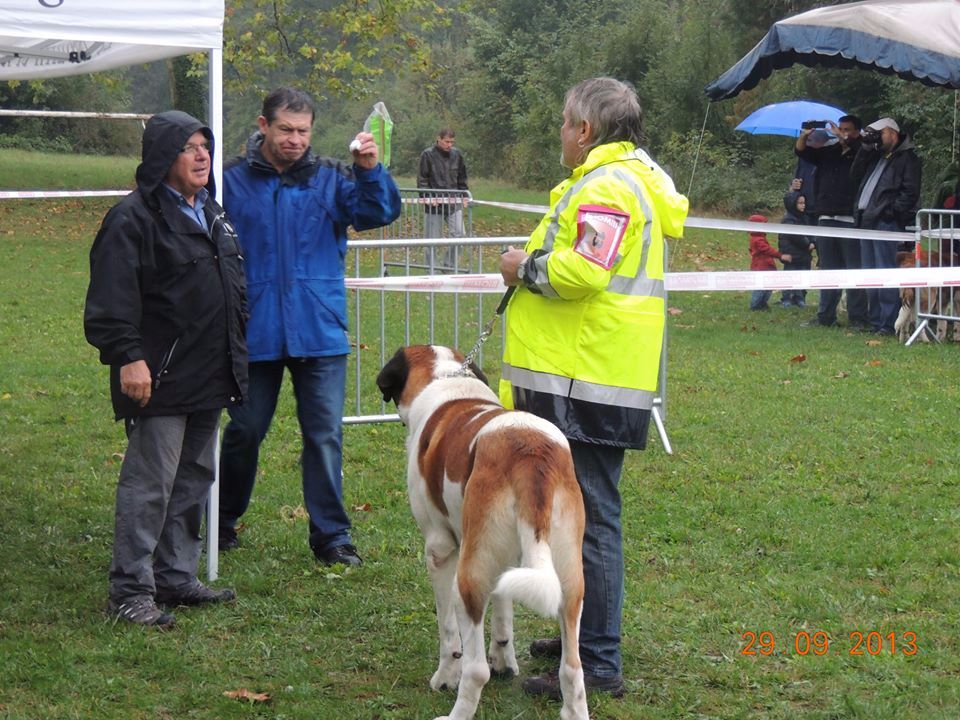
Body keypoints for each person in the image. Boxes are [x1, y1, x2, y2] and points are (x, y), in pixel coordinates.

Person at [499, 77, 688, 699]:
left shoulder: (607, 186)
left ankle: (598, 659)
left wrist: (522, 268)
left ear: (584, 130)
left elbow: (583, 270)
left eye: (564, 122)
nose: (559, 132)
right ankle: (576, 632)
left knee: (593, 519)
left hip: (588, 379)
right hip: (590, 372)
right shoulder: (625, 180)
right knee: (573, 515)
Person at [217, 88, 401, 567]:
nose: (295, 139)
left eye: (303, 131)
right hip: (253, 329)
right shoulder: (229, 181)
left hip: (319, 330)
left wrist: (369, 171)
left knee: (324, 436)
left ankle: (332, 536)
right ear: (263, 125)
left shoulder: (333, 178)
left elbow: (378, 213)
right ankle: (221, 520)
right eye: (285, 129)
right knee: (244, 431)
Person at [84, 110, 248, 628]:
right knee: (150, 484)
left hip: (211, 371)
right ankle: (130, 591)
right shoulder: (132, 219)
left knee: (194, 478)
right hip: (158, 376)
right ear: (162, 156)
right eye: (188, 147)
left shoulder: (212, 212)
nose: (202, 156)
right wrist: (129, 358)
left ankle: (175, 575)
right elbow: (111, 301)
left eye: (206, 146)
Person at [795, 115, 870, 329]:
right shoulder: (829, 152)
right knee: (828, 269)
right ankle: (825, 316)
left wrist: (844, 140)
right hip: (826, 217)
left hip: (850, 219)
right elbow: (802, 152)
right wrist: (805, 136)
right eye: (840, 128)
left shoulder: (862, 152)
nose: (842, 132)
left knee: (853, 269)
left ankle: (858, 318)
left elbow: (861, 155)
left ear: (857, 131)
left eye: (847, 129)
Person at [851, 117, 922, 335]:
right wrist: (865, 148)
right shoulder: (875, 156)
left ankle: (888, 323)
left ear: (892, 133)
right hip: (867, 220)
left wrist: (891, 213)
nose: (877, 139)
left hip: (886, 222)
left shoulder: (908, 159)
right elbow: (854, 176)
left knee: (886, 271)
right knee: (869, 273)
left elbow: (910, 192)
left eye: (879, 134)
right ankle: (875, 321)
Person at [417, 128, 469, 269]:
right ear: (438, 139)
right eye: (446, 141)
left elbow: (462, 178)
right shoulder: (427, 155)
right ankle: (432, 269)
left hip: (453, 203)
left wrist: (464, 195)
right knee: (432, 240)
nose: (449, 145)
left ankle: (449, 266)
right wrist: (428, 197)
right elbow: (422, 180)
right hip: (433, 205)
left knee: (460, 234)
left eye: (452, 142)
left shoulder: (457, 155)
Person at [778, 190, 816, 307]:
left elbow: (812, 232)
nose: (803, 205)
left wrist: (813, 242)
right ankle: (787, 298)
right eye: (800, 203)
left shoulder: (805, 218)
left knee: (803, 276)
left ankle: (800, 298)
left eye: (804, 203)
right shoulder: (788, 220)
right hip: (791, 255)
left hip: (804, 255)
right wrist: (807, 244)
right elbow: (795, 235)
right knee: (789, 276)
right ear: (792, 204)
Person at [747, 214, 791, 310]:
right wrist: (780, 255)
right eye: (764, 224)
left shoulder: (760, 238)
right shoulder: (757, 240)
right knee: (760, 288)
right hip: (761, 267)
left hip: (766, 266)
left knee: (767, 287)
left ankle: (762, 303)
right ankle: (755, 305)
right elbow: (767, 250)